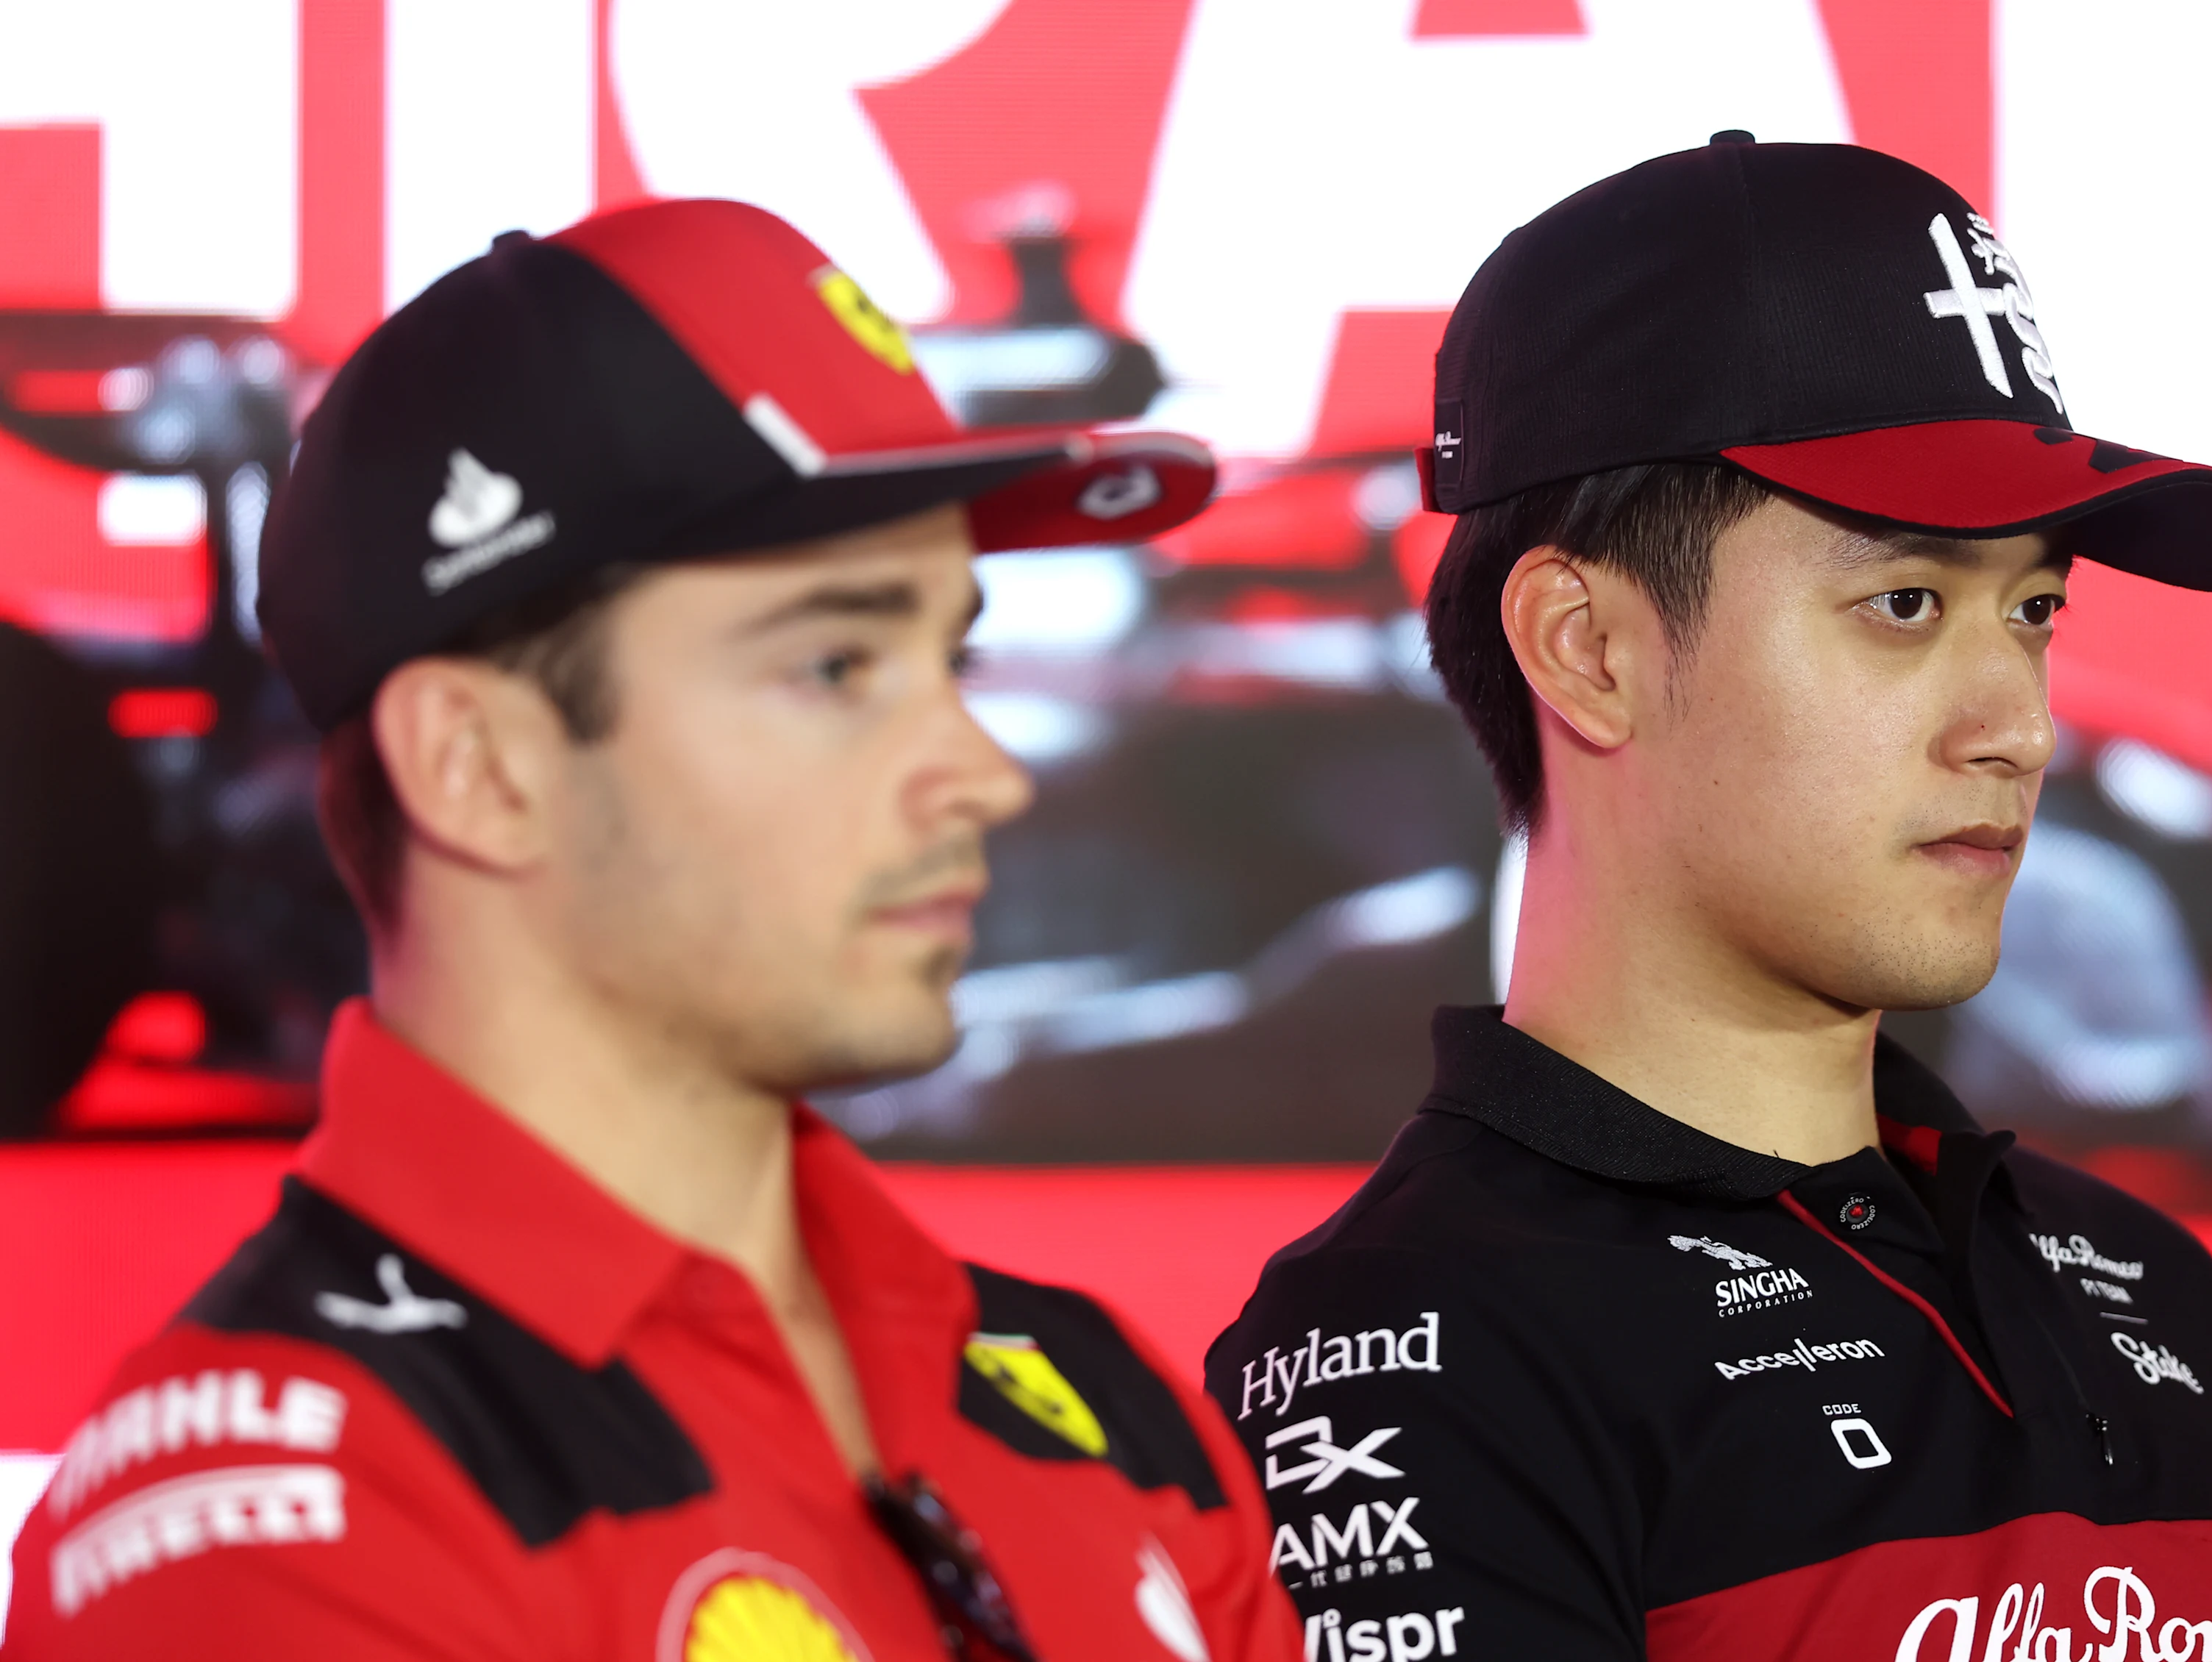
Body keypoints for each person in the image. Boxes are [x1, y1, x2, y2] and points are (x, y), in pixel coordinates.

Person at [5, 197, 1299, 1662]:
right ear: (480, 767)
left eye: (954, 655)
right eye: (833, 663)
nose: (981, 769)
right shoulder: (274, 1522)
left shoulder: (1111, 1404)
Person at [1210, 135, 2212, 1662]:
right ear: (1587, 648)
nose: (2019, 720)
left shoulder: (2150, 1281)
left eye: (2035, 609)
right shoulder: (1410, 1349)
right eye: (1905, 603)